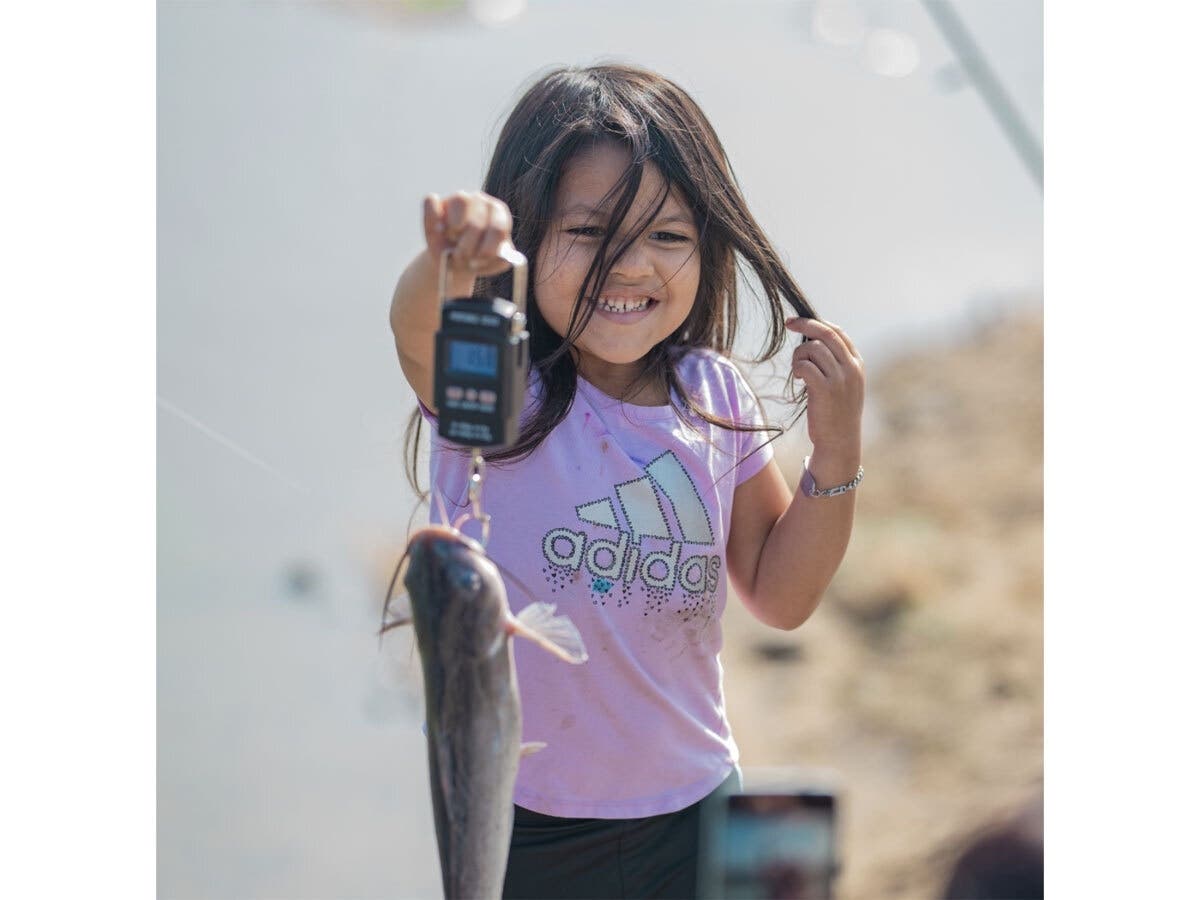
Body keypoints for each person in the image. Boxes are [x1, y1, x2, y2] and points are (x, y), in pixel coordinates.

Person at [388, 63, 865, 899]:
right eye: (587, 232)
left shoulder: (713, 394)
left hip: (701, 803)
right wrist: (450, 263)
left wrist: (838, 451)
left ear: (708, 246)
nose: (631, 266)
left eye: (669, 237)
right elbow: (418, 327)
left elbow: (783, 597)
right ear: (528, 238)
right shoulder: (502, 390)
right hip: (526, 817)